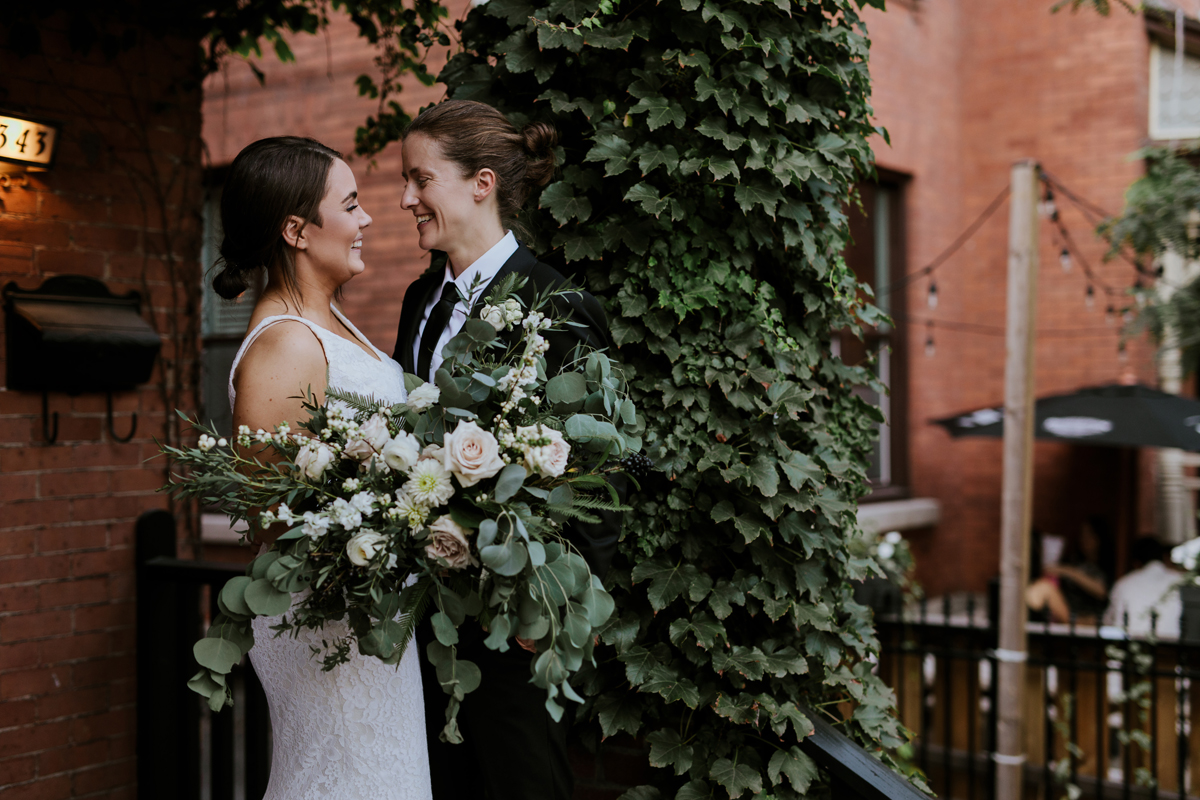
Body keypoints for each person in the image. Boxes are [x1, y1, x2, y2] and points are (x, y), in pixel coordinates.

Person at [392, 99, 622, 800]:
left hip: (515, 629)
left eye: (420, 179)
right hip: (425, 624)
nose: (407, 199)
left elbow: (598, 477)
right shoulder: (418, 300)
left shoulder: (561, 305)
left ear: (480, 183)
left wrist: (545, 615)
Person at [218, 136, 432, 799]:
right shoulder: (285, 344)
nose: (367, 219)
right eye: (350, 204)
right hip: (329, 628)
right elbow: (272, 520)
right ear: (297, 230)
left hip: (370, 622)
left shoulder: (329, 320)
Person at [1025, 517, 1111, 624]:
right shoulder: (1045, 586)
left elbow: (1102, 591)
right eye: (1082, 535)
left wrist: (1067, 571)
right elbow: (1069, 620)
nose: (1084, 539)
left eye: (1089, 535)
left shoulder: (1103, 568)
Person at [1104, 536, 1183, 638]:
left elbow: (1108, 622)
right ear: (1164, 557)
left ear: (1136, 563)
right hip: (1174, 649)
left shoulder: (1123, 583)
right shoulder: (1182, 581)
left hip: (1129, 648)